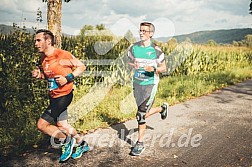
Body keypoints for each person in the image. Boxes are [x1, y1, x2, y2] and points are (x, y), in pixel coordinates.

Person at [32, 29, 89, 162]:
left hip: (64, 96)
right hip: (54, 96)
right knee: (62, 125)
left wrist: (67, 78)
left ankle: (66, 141)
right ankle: (82, 144)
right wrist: (39, 75)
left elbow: (81, 67)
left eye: (38, 40)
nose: (35, 43)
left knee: (41, 125)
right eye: (35, 40)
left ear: (48, 41)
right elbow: (49, 77)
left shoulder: (62, 55)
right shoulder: (43, 58)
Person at [127, 22, 168, 156]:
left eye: (145, 31)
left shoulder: (156, 50)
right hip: (137, 83)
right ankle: (161, 109)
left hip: (151, 84)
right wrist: (134, 65)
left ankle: (139, 143)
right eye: (140, 30)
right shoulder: (133, 48)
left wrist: (154, 69)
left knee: (141, 114)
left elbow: (164, 68)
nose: (141, 33)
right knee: (142, 113)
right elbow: (129, 62)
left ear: (151, 34)